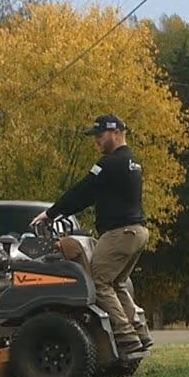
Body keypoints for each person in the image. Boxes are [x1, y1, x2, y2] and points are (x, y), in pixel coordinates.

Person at [32, 114, 151, 351]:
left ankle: (126, 336)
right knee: (117, 283)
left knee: (98, 282)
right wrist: (63, 212)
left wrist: (50, 214)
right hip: (137, 232)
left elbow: (83, 190)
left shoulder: (109, 163)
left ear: (116, 133)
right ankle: (140, 332)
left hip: (119, 232)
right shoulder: (132, 162)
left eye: (100, 135)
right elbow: (90, 196)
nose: (96, 140)